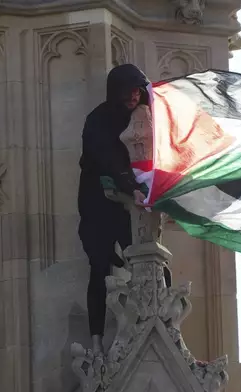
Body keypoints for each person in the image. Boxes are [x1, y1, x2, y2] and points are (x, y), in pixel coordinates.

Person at [77, 64, 172, 355]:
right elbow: (105, 157)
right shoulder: (99, 119)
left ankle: (165, 327)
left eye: (137, 90)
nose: (133, 96)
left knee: (155, 262)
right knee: (99, 266)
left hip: (132, 202)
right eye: (127, 90)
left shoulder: (142, 117)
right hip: (99, 202)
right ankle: (96, 341)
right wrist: (129, 184)